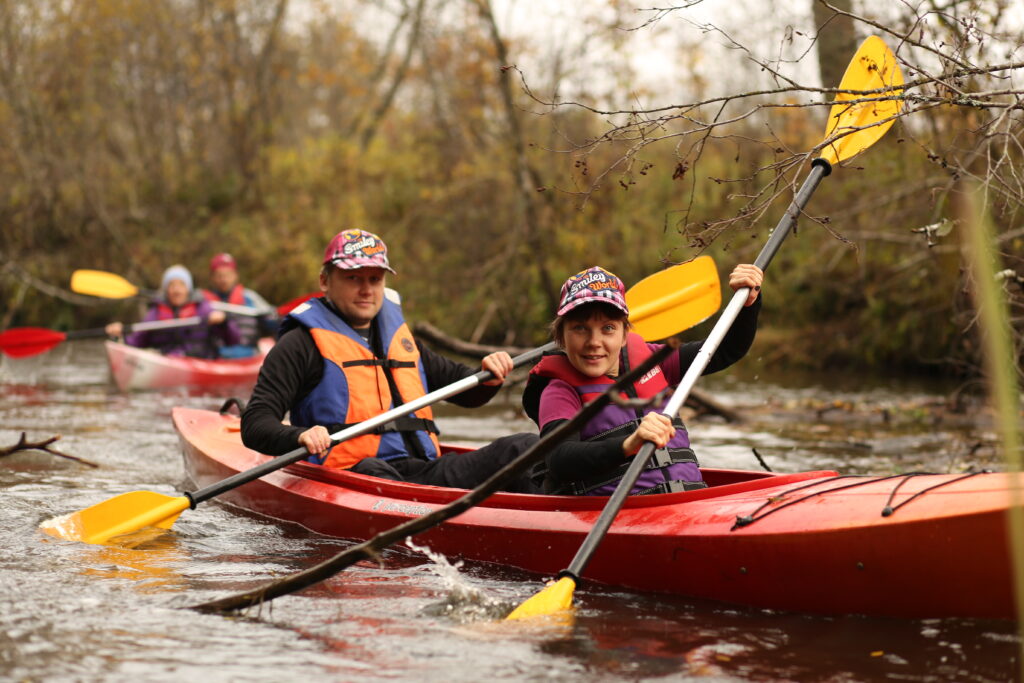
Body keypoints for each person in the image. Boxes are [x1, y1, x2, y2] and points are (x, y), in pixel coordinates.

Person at [241, 229, 540, 493]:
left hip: (422, 474)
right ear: (325, 281)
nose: (366, 289)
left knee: (523, 447)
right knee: (375, 471)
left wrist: (489, 373)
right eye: (353, 277)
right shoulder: (299, 345)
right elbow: (255, 424)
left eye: (375, 278)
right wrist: (300, 435)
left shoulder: (401, 340)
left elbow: (467, 391)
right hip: (352, 479)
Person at [521, 263, 763, 496]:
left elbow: (725, 350)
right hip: (618, 516)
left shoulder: (654, 361)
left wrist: (748, 304)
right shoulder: (559, 391)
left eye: (607, 328)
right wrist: (628, 444)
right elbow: (560, 459)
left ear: (625, 334)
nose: (594, 342)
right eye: (580, 328)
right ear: (561, 337)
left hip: (687, 504)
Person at [104, 264, 241, 359]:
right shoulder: (156, 312)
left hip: (202, 361)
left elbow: (234, 339)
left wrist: (223, 321)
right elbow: (136, 341)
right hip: (169, 361)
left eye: (181, 285)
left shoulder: (203, 308)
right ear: (166, 289)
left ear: (188, 288)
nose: (176, 290)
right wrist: (119, 336)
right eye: (172, 285)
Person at [202, 252, 279, 358]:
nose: (224, 279)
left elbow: (272, 322)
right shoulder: (205, 302)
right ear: (212, 277)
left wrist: (276, 319)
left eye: (227, 275)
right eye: (219, 275)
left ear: (235, 275)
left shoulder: (250, 297)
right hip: (217, 357)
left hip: (249, 355)